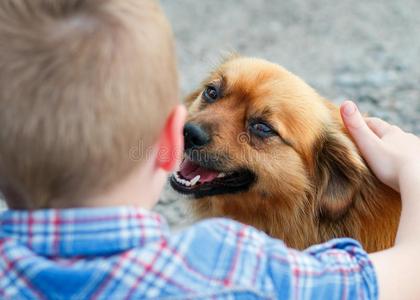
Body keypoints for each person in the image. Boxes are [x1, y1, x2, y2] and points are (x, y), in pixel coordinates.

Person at [0, 0, 419, 299]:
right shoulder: (230, 268)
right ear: (170, 133)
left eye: (260, 128)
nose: (199, 128)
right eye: (213, 93)